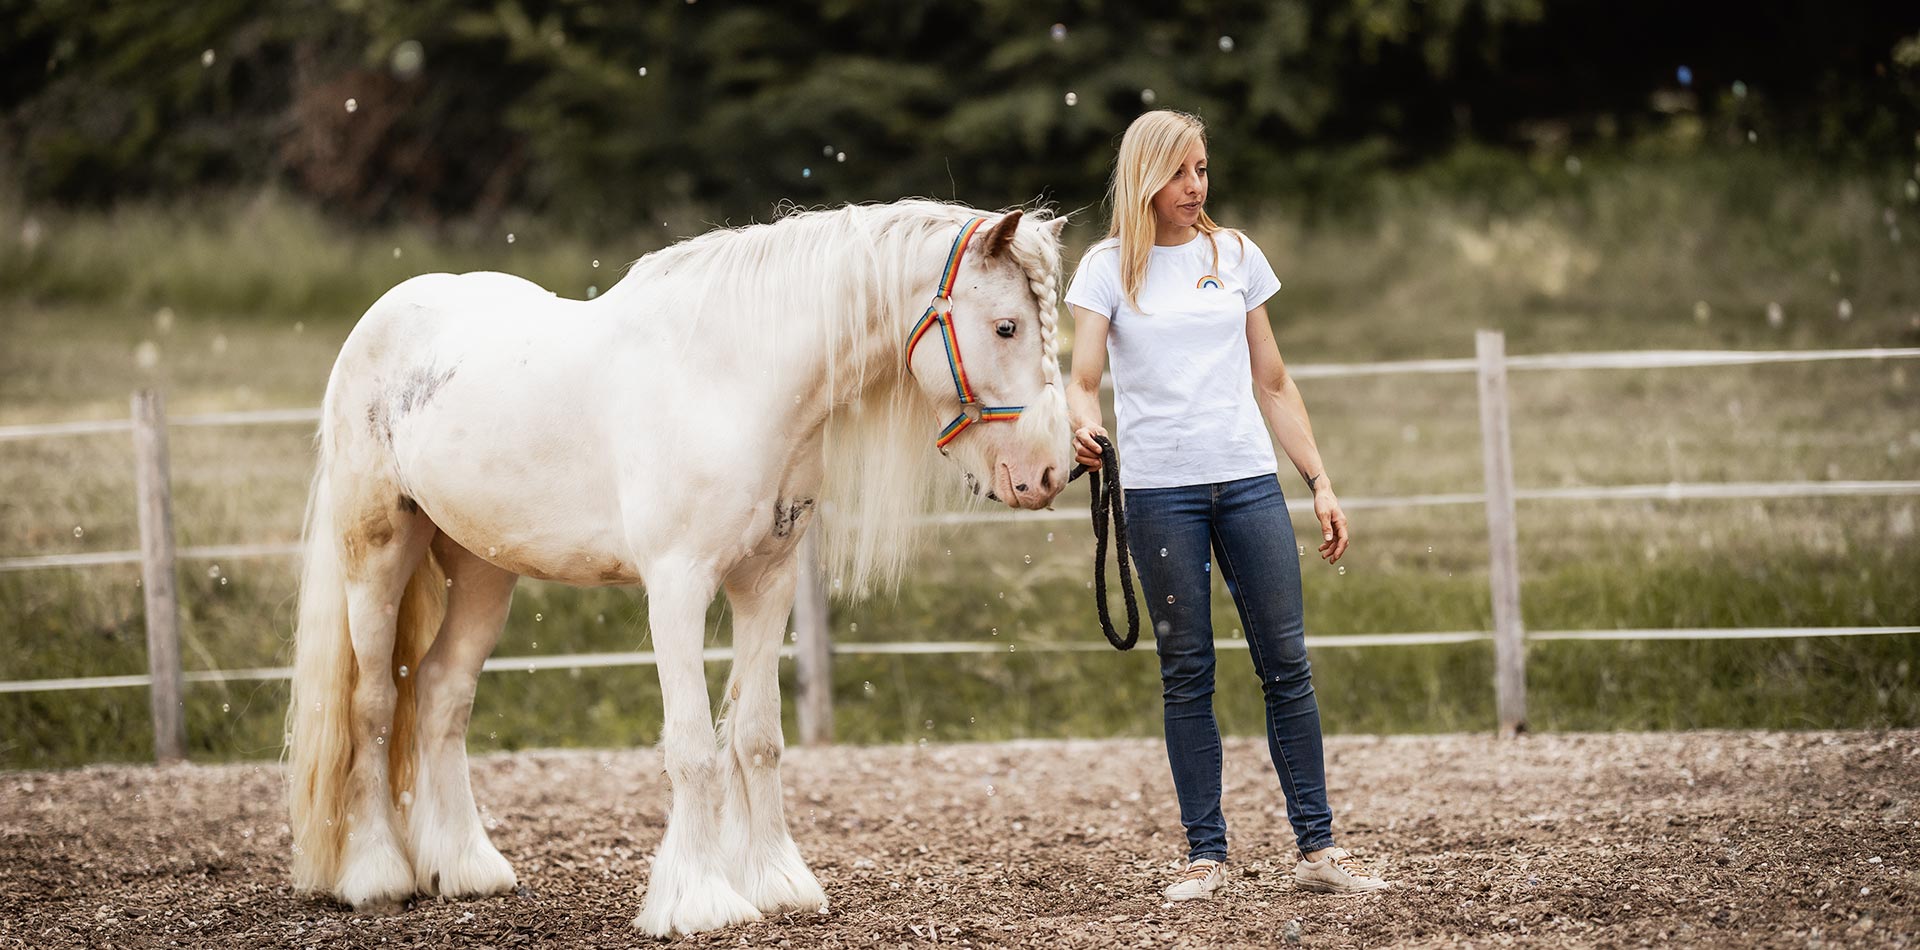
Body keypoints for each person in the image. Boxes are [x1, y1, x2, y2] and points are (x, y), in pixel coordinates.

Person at [1062, 110, 1389, 902]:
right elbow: (1082, 380)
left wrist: (1319, 480)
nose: (1195, 186)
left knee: (1287, 666)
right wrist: (1083, 425)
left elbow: (1272, 381)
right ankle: (1205, 855)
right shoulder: (1105, 269)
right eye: (1179, 173)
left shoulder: (1235, 254)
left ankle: (1319, 850)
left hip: (1247, 484)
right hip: (1159, 495)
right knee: (1188, 672)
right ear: (1144, 178)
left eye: (1202, 169)